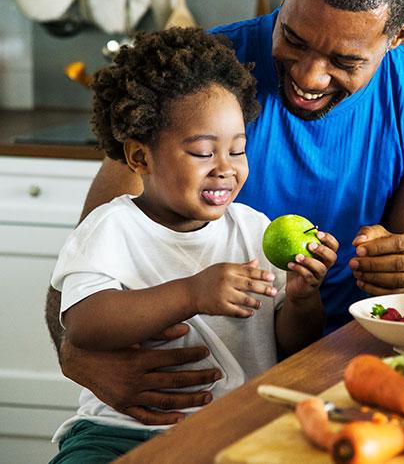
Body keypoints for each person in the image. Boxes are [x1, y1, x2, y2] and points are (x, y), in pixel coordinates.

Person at [45, 0, 404, 426]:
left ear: (398, 36)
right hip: (188, 399)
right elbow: (79, 270)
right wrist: (80, 361)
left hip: (359, 376)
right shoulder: (202, 82)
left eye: (345, 60)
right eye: (293, 37)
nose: (310, 76)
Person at [47, 27, 338, 462]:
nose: (225, 169)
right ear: (140, 158)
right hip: (120, 430)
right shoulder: (111, 228)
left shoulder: (253, 229)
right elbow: (84, 324)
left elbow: (292, 343)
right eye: (204, 153)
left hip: (235, 427)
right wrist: (191, 293)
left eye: (237, 151)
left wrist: (301, 299)